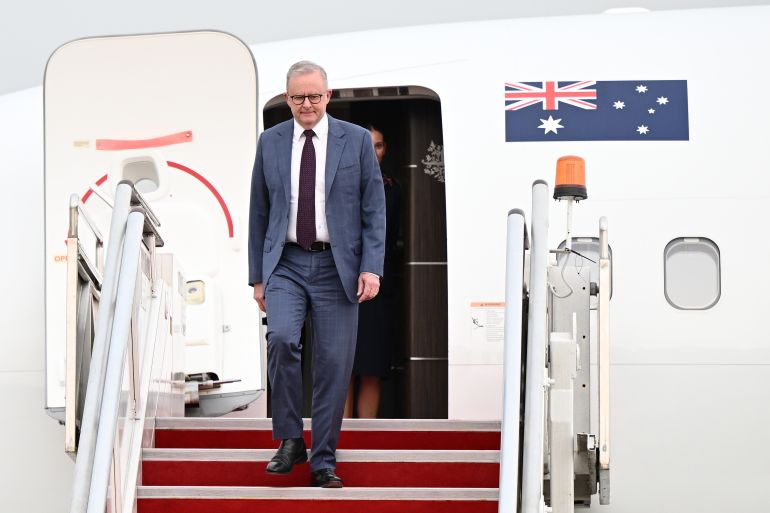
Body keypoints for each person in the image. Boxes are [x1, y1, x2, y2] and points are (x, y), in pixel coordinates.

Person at [248, 60, 386, 488]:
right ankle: (291, 438)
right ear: (287, 98)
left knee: (333, 365)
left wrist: (371, 267)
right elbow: (258, 211)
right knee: (281, 339)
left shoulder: (356, 140)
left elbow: (373, 208)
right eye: (297, 97)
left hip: (336, 266)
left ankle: (323, 460)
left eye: (313, 96)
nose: (306, 104)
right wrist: (257, 277)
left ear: (328, 96)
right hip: (285, 263)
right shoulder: (270, 142)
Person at [345, 126, 400, 418]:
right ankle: (339, 434)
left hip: (378, 285)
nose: (372, 151)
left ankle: (366, 434)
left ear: (384, 149)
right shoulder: (339, 185)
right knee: (342, 367)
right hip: (342, 283)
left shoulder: (392, 188)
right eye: (367, 145)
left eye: (378, 145)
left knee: (372, 366)